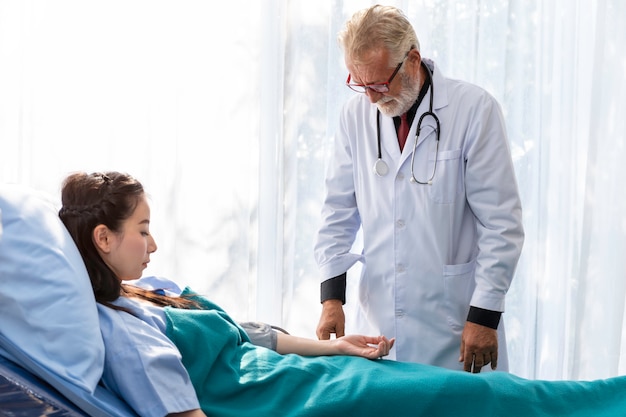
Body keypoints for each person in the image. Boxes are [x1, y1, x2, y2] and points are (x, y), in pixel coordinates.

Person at [58, 171, 626, 417]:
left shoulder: (149, 292)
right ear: (103, 238)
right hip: (296, 405)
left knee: (481, 394)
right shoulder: (124, 330)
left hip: (316, 380)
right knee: (479, 401)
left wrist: (339, 349)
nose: (154, 242)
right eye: (142, 230)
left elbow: (249, 335)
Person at [314, 4, 525, 373]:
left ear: (412, 60)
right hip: (380, 325)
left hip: (457, 327)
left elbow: (502, 225)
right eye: (358, 84)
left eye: (379, 84)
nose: (372, 99)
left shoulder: (474, 110)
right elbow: (337, 211)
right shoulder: (354, 117)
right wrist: (332, 297)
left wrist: (486, 313)